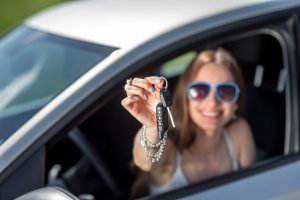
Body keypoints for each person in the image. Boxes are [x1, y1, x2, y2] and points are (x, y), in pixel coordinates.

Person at [121, 47, 256, 197]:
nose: (212, 102)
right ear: (186, 98)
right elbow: (145, 163)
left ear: (236, 102)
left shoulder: (239, 133)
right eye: (200, 91)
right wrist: (153, 127)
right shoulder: (171, 146)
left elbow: (250, 191)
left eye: (226, 91)